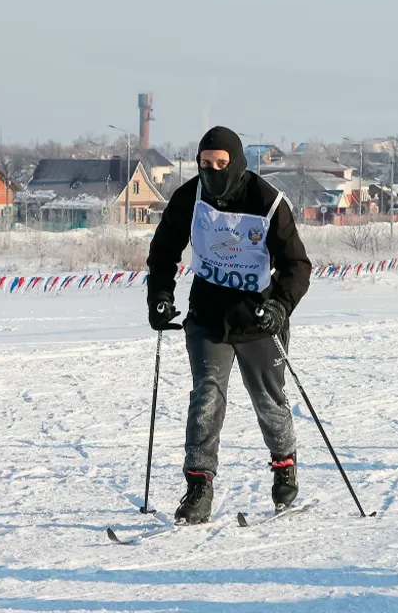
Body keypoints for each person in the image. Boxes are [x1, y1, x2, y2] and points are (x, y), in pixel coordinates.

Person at [146, 126, 312, 524]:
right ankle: (199, 486)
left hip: (258, 319)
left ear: (237, 163)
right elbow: (164, 250)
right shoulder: (190, 196)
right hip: (208, 318)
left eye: (221, 164)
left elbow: (297, 265)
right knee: (207, 397)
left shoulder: (267, 201)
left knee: (269, 403)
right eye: (205, 164)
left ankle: (284, 468)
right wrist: (160, 296)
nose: (213, 172)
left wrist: (281, 306)